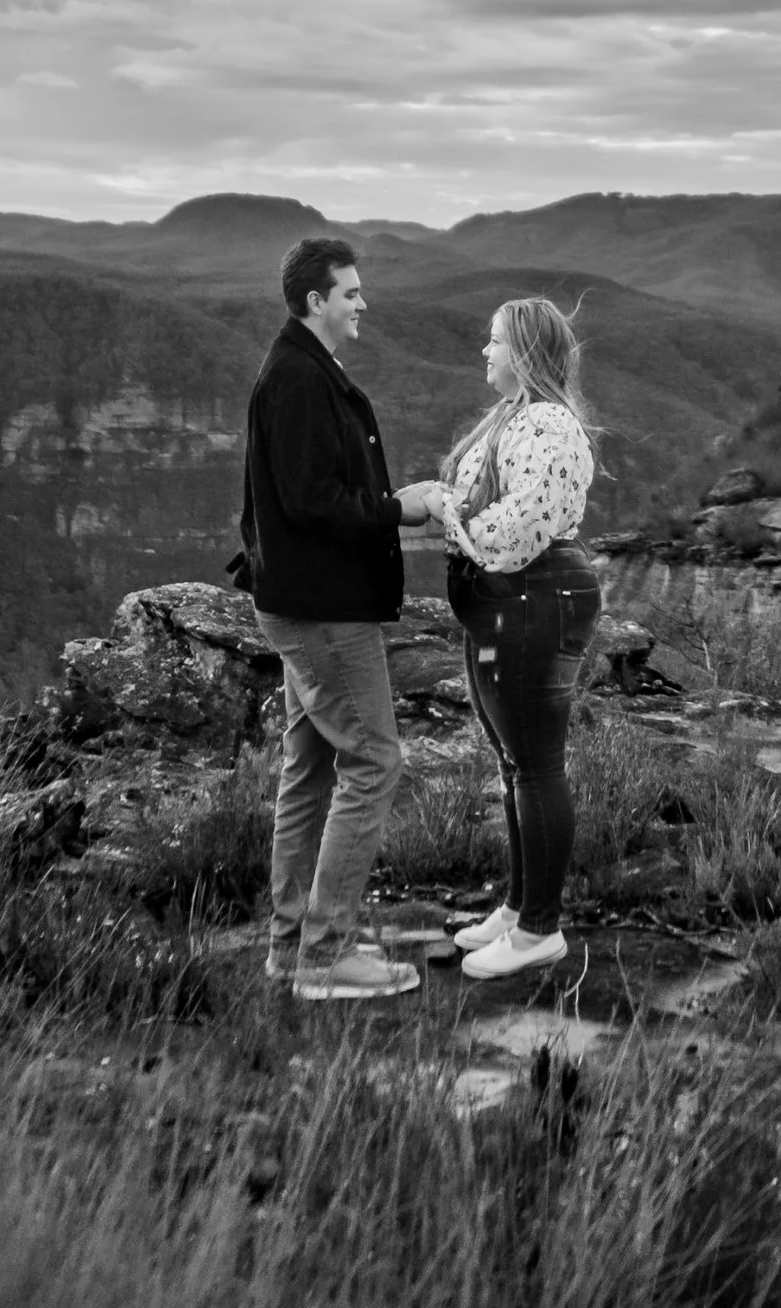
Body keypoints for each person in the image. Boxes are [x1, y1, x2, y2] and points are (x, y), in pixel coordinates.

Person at [232, 231, 442, 1002]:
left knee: (312, 768)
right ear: (316, 301)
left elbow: (281, 499)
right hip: (322, 613)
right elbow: (309, 501)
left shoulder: (302, 368)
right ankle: (326, 954)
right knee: (375, 762)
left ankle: (291, 949)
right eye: (351, 293)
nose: (363, 303)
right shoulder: (297, 379)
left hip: (299, 603)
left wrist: (397, 501)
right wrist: (404, 510)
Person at [419, 294, 602, 983]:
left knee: (537, 764)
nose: (485, 352)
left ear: (523, 353)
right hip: (506, 603)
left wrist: (453, 527)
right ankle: (520, 904)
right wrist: (447, 505)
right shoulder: (512, 419)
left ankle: (539, 931)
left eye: (495, 341)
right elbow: (485, 504)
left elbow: (522, 526)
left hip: (537, 597)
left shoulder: (549, 426)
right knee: (513, 762)